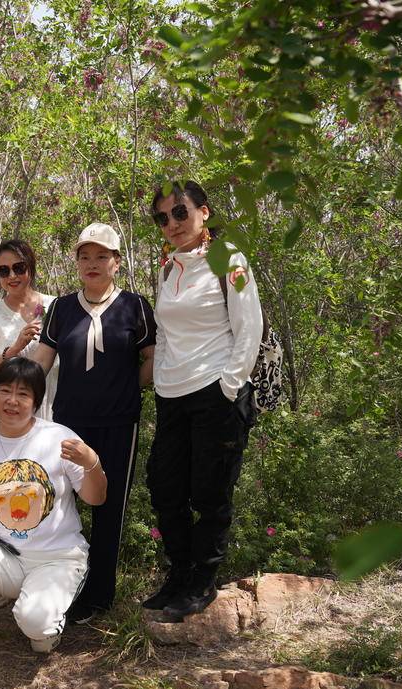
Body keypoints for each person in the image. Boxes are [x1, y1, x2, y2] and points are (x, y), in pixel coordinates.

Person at [143, 180, 262, 621]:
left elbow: (249, 326)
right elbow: (168, 335)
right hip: (172, 394)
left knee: (210, 492)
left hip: (216, 390)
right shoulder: (168, 266)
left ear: (204, 212)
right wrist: (162, 383)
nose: (171, 223)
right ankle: (179, 573)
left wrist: (230, 387)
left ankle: (202, 580)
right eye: (162, 218)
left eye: (179, 212)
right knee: (166, 486)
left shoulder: (229, 260)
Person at [0, 358, 107, 671]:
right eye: (5, 391)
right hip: (6, 556)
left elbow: (96, 497)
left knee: (38, 632)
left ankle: (44, 615)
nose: (12, 401)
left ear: (36, 402)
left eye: (23, 394)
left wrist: (92, 462)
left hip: (57, 558)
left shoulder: (59, 437)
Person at [31, 223, 156, 624]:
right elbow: (42, 364)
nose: (92, 263)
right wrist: (14, 397)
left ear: (116, 262)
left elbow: (151, 360)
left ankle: (98, 596)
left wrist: (122, 388)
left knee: (109, 510)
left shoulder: (136, 307)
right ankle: (55, 587)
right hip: (67, 424)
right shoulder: (62, 309)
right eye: (85, 256)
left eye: (102, 256)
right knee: (63, 506)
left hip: (119, 424)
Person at [0, 240, 58, 420]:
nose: (12, 276)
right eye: (3, 271)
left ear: (30, 267)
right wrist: (14, 350)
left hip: (51, 402)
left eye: (19, 268)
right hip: (10, 407)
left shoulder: (54, 306)